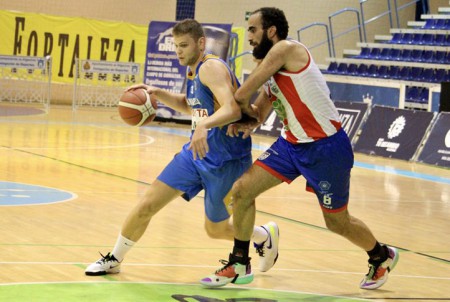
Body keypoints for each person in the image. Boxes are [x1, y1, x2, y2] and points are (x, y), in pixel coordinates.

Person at [202, 7, 399, 290]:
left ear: (271, 31)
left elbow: (243, 95)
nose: (250, 39)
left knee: (337, 222)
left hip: (326, 148)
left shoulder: (286, 49)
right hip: (291, 145)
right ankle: (239, 263)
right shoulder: (270, 71)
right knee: (243, 190)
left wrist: (233, 113)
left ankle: (381, 256)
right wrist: (248, 122)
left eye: (254, 31)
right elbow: (259, 111)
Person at [84, 19, 280, 282]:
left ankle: (262, 236)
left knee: (214, 229)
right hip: (195, 155)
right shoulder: (193, 69)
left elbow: (232, 109)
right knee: (147, 204)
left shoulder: (210, 67)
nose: (178, 51)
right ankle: (114, 258)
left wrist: (204, 127)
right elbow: (191, 106)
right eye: (176, 46)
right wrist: (156, 92)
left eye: (184, 45)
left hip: (226, 161)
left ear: (201, 43)